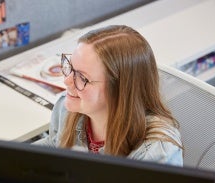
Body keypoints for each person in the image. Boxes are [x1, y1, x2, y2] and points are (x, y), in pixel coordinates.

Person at [34, 25, 183, 166]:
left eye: (82, 77)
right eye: (70, 67)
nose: (66, 81)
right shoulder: (67, 108)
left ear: (119, 90)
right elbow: (53, 145)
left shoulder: (156, 152)